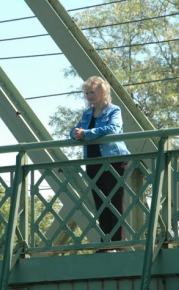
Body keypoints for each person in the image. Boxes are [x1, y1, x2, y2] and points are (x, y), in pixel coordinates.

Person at [70, 76, 130, 252]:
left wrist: (86, 133)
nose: (88, 95)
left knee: (115, 201)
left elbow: (113, 128)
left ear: (102, 92)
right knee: (101, 202)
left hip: (114, 160)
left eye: (92, 92)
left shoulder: (114, 110)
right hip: (93, 161)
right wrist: (75, 134)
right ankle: (106, 243)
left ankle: (118, 245)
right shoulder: (87, 113)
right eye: (86, 93)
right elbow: (74, 131)